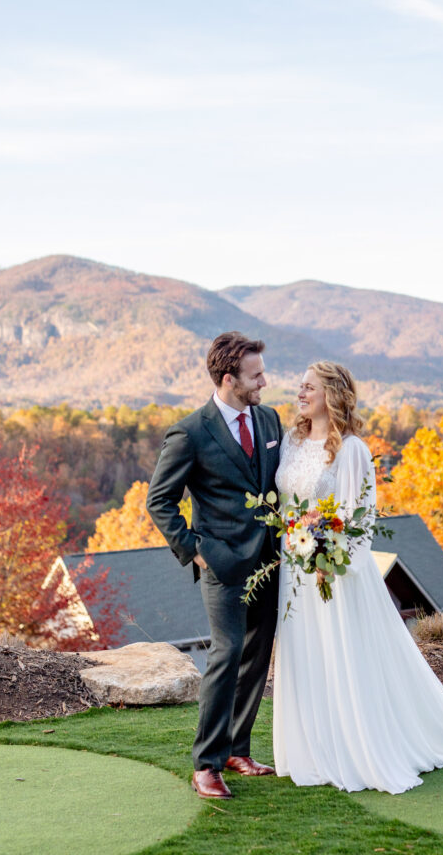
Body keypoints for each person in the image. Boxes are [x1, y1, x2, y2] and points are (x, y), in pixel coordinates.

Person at [273, 360, 443, 794]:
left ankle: (357, 748)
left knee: (343, 656)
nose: (299, 393)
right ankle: (315, 749)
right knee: (306, 655)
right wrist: (296, 545)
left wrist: (330, 557)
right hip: (293, 569)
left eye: (309, 387)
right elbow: (286, 507)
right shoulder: (292, 441)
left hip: (335, 573)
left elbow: (360, 520)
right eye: (299, 385)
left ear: (332, 394)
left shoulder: (352, 449)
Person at [146, 331, 283, 800]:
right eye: (256, 375)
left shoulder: (268, 420)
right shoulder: (190, 432)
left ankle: (236, 750)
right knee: (225, 655)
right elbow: (159, 501)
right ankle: (206, 764)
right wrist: (195, 550)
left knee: (256, 657)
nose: (264, 381)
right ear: (229, 379)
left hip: (271, 559)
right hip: (222, 565)